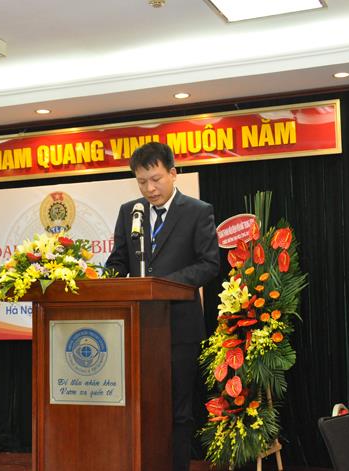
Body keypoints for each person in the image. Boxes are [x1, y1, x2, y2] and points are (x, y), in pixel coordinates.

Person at [106, 142, 220, 471]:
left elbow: (209, 264)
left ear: (173, 173)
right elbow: (118, 261)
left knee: (179, 410)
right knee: (142, 406)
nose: (149, 189)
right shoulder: (130, 212)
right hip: (139, 327)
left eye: (155, 179)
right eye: (141, 181)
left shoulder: (197, 211)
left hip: (181, 328)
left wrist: (163, 284)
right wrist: (105, 279)